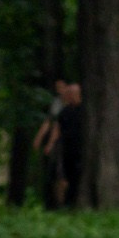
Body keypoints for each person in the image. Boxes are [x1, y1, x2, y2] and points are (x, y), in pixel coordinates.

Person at [33, 79, 84, 207]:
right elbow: (56, 126)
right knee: (62, 176)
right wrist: (49, 143)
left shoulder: (85, 110)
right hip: (66, 147)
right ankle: (62, 204)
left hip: (80, 147)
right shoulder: (63, 110)